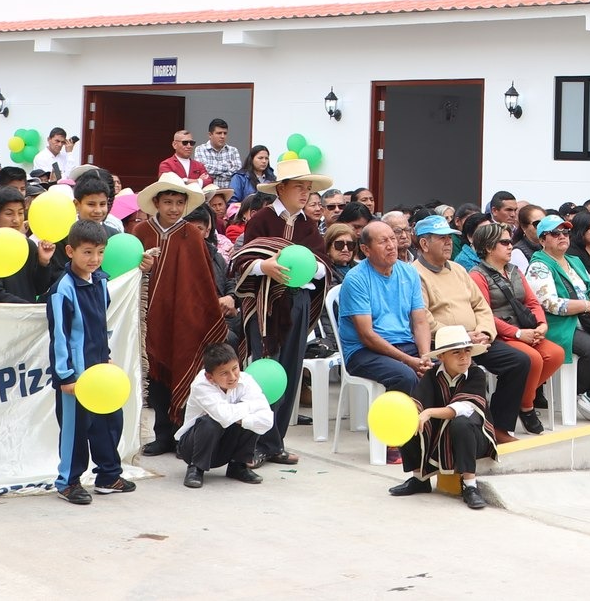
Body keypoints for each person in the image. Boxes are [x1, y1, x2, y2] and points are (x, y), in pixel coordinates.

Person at [227, 158, 329, 463]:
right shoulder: (261, 220)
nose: (305, 193)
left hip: (295, 303)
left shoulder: (308, 226)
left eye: (308, 188)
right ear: (281, 188)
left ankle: (275, 443)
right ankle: (253, 443)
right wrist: (265, 265)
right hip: (263, 305)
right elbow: (243, 260)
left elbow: (324, 267)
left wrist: (309, 269)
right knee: (262, 369)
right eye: (299, 187)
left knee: (290, 368)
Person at [130, 174, 236, 457]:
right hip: (148, 315)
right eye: (168, 202)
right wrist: (142, 269)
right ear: (156, 203)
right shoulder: (140, 232)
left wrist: (204, 315)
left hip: (183, 317)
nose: (174, 208)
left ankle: (183, 435)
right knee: (156, 376)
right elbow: (126, 271)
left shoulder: (191, 235)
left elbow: (201, 282)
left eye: (179, 202)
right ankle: (162, 434)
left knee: (185, 371)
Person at [412, 215, 530, 439]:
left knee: (518, 361)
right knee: (471, 372)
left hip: (476, 339)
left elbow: (481, 305)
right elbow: (423, 318)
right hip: (445, 343)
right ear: (424, 244)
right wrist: (461, 336)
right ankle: (469, 428)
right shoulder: (415, 273)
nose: (449, 242)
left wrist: (485, 332)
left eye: (449, 237)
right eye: (442, 238)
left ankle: (500, 427)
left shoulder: (457, 269)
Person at [47, 220, 134, 504]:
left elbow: (100, 325)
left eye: (99, 252)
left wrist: (105, 356)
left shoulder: (100, 281)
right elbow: (59, 335)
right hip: (77, 375)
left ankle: (108, 475)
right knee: (75, 428)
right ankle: (68, 481)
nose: (94, 259)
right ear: (70, 251)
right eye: (87, 252)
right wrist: (66, 376)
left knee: (109, 421)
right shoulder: (63, 289)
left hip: (100, 370)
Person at [526, 214, 590, 422]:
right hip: (560, 324)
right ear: (542, 240)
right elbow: (551, 303)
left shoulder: (574, 260)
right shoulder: (539, 266)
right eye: (555, 233)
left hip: (586, 321)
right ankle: (575, 395)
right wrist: (587, 306)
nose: (562, 236)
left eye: (565, 232)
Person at [387, 323, 498, 510]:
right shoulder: (431, 376)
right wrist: (404, 414)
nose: (464, 357)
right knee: (409, 419)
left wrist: (429, 412)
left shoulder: (476, 374)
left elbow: (462, 408)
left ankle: (470, 485)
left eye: (467, 351)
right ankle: (419, 479)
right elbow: (418, 401)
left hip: (473, 438)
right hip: (439, 437)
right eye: (456, 352)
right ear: (441, 357)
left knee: (461, 423)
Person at [469, 221, 562, 435]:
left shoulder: (515, 270)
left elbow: (531, 302)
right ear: (489, 247)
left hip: (526, 329)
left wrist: (541, 324)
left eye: (510, 241)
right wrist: (517, 333)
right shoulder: (477, 275)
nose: (511, 246)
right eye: (504, 242)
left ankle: (520, 400)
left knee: (555, 354)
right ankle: (527, 408)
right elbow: (484, 314)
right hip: (501, 335)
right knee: (533, 359)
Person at [337, 220, 433, 398]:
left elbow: (420, 321)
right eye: (383, 242)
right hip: (363, 351)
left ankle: (436, 424)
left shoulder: (409, 272)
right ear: (366, 250)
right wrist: (409, 361)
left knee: (447, 368)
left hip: (405, 343)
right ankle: (399, 426)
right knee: (405, 376)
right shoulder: (356, 279)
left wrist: (424, 357)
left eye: (392, 239)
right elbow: (367, 335)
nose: (391, 246)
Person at [176, 343, 271, 488]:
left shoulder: (247, 381)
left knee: (251, 421)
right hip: (193, 447)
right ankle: (196, 468)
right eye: (224, 373)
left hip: (225, 447)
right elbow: (223, 417)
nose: (232, 377)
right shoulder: (201, 385)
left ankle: (237, 466)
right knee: (211, 421)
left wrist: (240, 418)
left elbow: (267, 420)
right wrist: (251, 407)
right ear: (210, 377)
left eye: (235, 369)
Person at [193, 119, 241, 187]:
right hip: (208, 194)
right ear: (210, 135)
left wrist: (213, 174)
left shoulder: (233, 150)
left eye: (225, 133)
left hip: (229, 194)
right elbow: (204, 171)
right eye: (219, 133)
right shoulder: (200, 149)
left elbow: (237, 173)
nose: (222, 136)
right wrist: (227, 168)